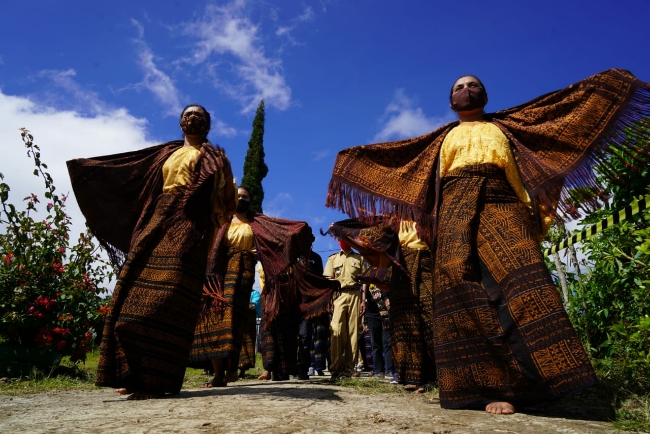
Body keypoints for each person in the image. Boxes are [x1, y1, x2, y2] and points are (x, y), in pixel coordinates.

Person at [326, 69, 650, 413]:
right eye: (459, 88)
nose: (466, 91)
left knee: (521, 284)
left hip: (502, 204)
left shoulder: (505, 129)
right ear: (451, 102)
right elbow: (417, 180)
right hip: (453, 211)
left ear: (485, 96)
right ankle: (485, 386)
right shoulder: (439, 141)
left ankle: (540, 384)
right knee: (459, 287)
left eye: (473, 86)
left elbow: (527, 167)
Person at [67, 104, 237, 400]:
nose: (193, 118)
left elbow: (227, 202)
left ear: (208, 126)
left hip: (190, 228)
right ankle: (132, 374)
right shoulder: (166, 153)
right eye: (188, 114)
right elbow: (139, 181)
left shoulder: (216, 158)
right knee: (130, 295)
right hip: (157, 219)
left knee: (167, 298)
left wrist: (204, 212)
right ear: (180, 122)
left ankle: (156, 379)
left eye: (200, 115)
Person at [190, 187, 258, 388]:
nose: (240, 199)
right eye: (236, 196)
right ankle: (218, 373)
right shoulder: (222, 221)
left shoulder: (256, 224)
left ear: (250, 201)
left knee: (235, 321)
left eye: (244, 197)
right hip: (219, 273)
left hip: (244, 274)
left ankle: (232, 369)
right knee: (215, 317)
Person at [324, 238, 367, 381]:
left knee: (353, 333)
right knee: (336, 330)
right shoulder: (333, 259)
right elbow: (328, 281)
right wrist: (328, 300)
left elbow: (365, 280)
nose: (343, 241)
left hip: (356, 295)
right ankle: (335, 371)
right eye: (340, 239)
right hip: (338, 296)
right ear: (337, 241)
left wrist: (363, 299)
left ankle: (347, 371)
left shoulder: (359, 258)